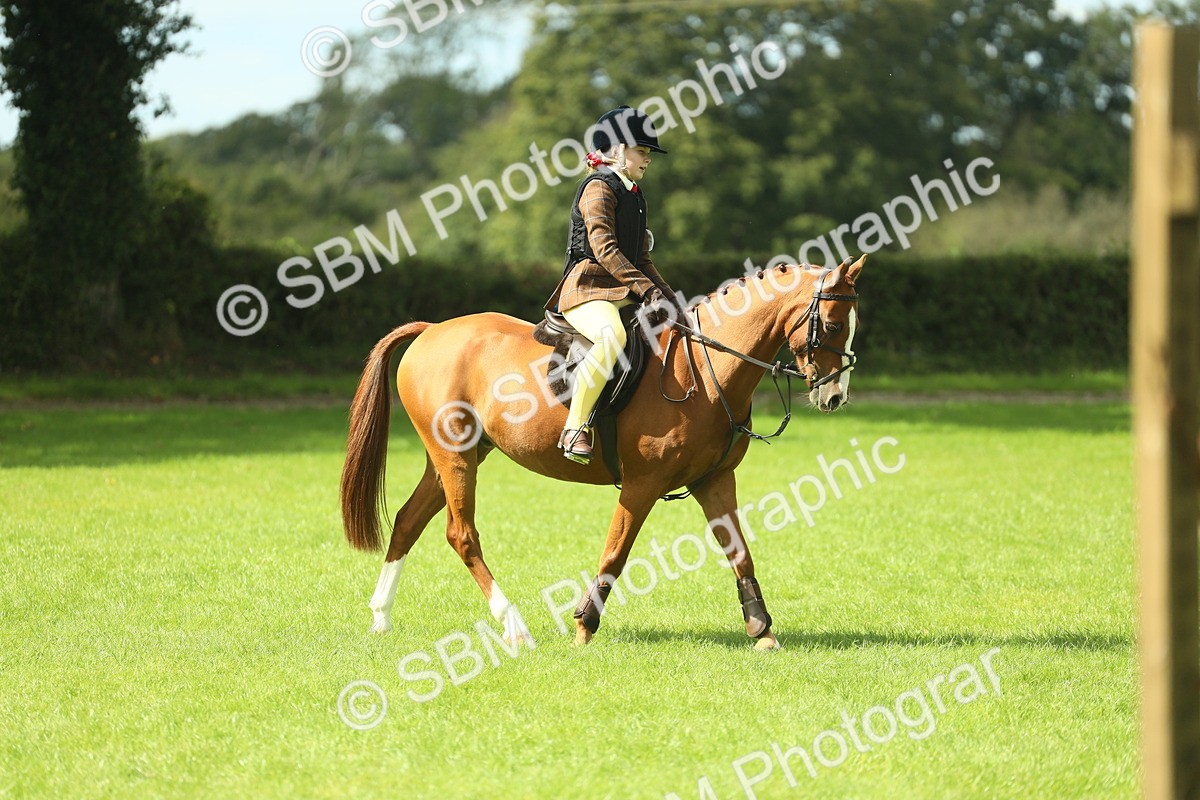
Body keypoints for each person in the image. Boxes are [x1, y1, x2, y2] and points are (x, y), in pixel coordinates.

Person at [545, 105, 686, 464]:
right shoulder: (597, 188)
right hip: (587, 290)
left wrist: (673, 302)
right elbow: (605, 250)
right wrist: (647, 290)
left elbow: (642, 260)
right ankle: (574, 428)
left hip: (621, 292)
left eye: (649, 152)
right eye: (642, 150)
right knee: (612, 337)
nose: (647, 158)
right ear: (618, 149)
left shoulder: (634, 195)